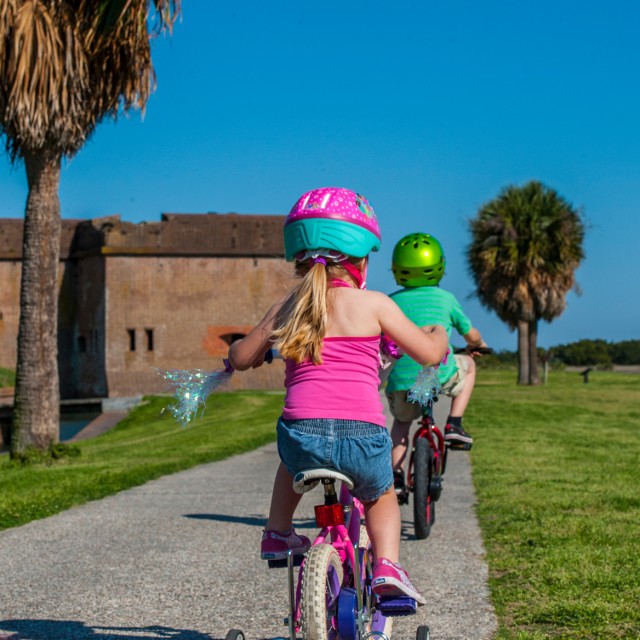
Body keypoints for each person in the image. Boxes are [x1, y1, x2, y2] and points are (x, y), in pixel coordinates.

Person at [227, 188, 448, 604]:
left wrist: (244, 354)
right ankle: (387, 567)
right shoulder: (376, 304)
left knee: (288, 466)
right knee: (380, 494)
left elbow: (240, 358)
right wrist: (438, 333)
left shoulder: (287, 307)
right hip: (361, 438)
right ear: (361, 259)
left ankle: (277, 533)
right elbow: (430, 354)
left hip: (301, 436)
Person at [384, 232, 488, 485]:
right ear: (439, 267)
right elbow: (469, 334)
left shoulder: (390, 302)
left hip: (401, 379)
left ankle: (396, 477)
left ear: (397, 269)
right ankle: (453, 424)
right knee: (470, 366)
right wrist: (479, 345)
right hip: (433, 375)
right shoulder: (446, 299)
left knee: (401, 424)